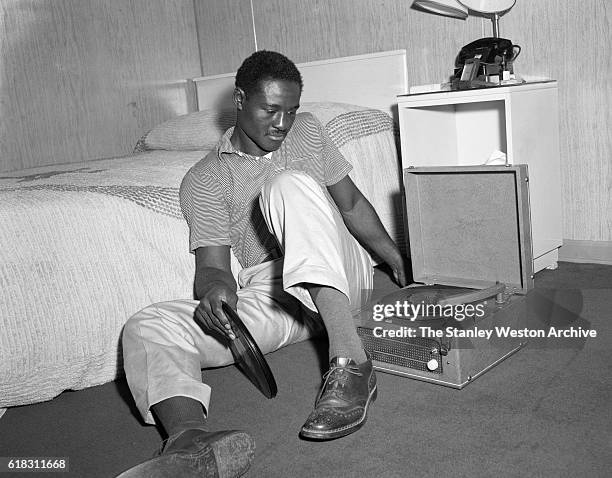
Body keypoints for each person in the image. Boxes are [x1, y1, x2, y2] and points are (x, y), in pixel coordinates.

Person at [118, 50, 408, 478]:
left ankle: (351, 362)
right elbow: (213, 265)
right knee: (146, 325)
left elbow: (349, 203)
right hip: (274, 293)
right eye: (270, 110)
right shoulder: (204, 178)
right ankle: (189, 443)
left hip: (340, 274)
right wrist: (218, 290)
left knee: (286, 186)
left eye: (291, 110)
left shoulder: (308, 132)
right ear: (239, 99)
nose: (283, 123)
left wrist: (394, 256)